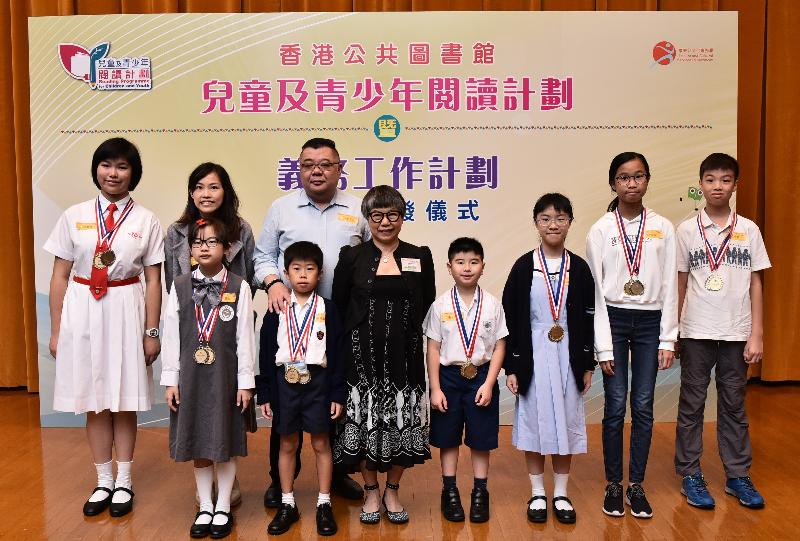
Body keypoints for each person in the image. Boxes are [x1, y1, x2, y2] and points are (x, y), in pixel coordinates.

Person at [45, 137, 163, 518]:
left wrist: (151, 331)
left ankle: (124, 480)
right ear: (97, 169)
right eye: (107, 165)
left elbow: (154, 281)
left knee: (124, 399)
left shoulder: (146, 220)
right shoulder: (74, 215)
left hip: (126, 307)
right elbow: (60, 276)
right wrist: (56, 329)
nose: (113, 173)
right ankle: (102, 481)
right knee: (94, 400)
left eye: (123, 167)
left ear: (134, 174)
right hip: (82, 308)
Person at [253, 137, 368, 506]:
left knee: (335, 398)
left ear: (340, 168)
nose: (316, 170)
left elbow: (372, 256)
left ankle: (336, 477)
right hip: (291, 318)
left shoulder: (358, 208)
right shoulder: (281, 208)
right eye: (307, 164)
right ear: (298, 169)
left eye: (325, 164)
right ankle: (280, 481)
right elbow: (262, 257)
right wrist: (272, 283)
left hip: (340, 320)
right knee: (287, 397)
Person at [332, 185, 436, 525]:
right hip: (361, 359)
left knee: (401, 423)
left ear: (403, 217)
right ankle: (371, 489)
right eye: (377, 216)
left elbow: (428, 304)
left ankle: (392, 488)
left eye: (393, 215)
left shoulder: (420, 255)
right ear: (368, 219)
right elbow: (341, 305)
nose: (385, 222)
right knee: (365, 424)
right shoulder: (352, 257)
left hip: (405, 359)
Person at [674, 153, 770, 510]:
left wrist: (756, 333)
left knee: (734, 405)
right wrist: (675, 332)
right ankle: (690, 474)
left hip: (736, 332)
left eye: (725, 180)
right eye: (711, 179)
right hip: (696, 330)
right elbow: (680, 285)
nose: (718, 186)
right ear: (700, 184)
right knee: (692, 406)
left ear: (735, 184)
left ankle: (737, 475)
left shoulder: (748, 230)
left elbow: (756, 283)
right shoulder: (685, 230)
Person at [586, 152, 678, 519]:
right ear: (613, 183)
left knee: (643, 405)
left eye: (638, 176)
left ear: (647, 181)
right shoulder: (601, 229)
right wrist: (603, 346)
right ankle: (613, 484)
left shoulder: (663, 227)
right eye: (624, 177)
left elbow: (671, 283)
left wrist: (668, 338)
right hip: (614, 319)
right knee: (615, 406)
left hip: (650, 321)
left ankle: (636, 485)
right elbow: (594, 291)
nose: (632, 183)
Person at [164, 161, 255, 507]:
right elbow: (174, 281)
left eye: (214, 186)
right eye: (199, 186)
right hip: (190, 334)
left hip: (228, 331)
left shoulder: (241, 229)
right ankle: (206, 499)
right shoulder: (175, 231)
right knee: (198, 423)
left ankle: (225, 493)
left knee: (225, 422)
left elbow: (244, 279)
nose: (206, 193)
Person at [503, 193, 595, 524]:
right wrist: (511, 366)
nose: (553, 224)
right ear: (536, 224)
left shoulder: (579, 268)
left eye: (560, 218)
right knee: (533, 422)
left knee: (567, 422)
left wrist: (587, 364)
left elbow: (588, 318)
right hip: (533, 356)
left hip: (568, 355)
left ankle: (561, 493)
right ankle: (538, 493)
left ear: (570, 222)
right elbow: (510, 319)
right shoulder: (524, 266)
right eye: (545, 218)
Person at [256, 241, 346, 536]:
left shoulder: (328, 309)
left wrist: (336, 393)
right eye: (297, 269)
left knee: (321, 443)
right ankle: (287, 502)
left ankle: (323, 502)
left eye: (310, 269)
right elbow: (266, 351)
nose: (303, 275)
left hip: (319, 385)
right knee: (287, 444)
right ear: (285, 273)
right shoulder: (276, 307)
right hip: (285, 384)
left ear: (320, 274)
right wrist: (266, 392)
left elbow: (338, 353)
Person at [423, 237, 507, 523]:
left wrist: (489, 382)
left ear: (483, 266)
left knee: (481, 438)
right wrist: (435, 388)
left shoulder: (493, 305)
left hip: (481, 378)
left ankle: (480, 492)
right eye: (460, 262)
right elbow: (432, 348)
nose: (467, 268)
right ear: (449, 267)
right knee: (448, 438)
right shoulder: (440, 305)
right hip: (448, 378)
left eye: (473, 262)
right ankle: (450, 491)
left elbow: (499, 346)